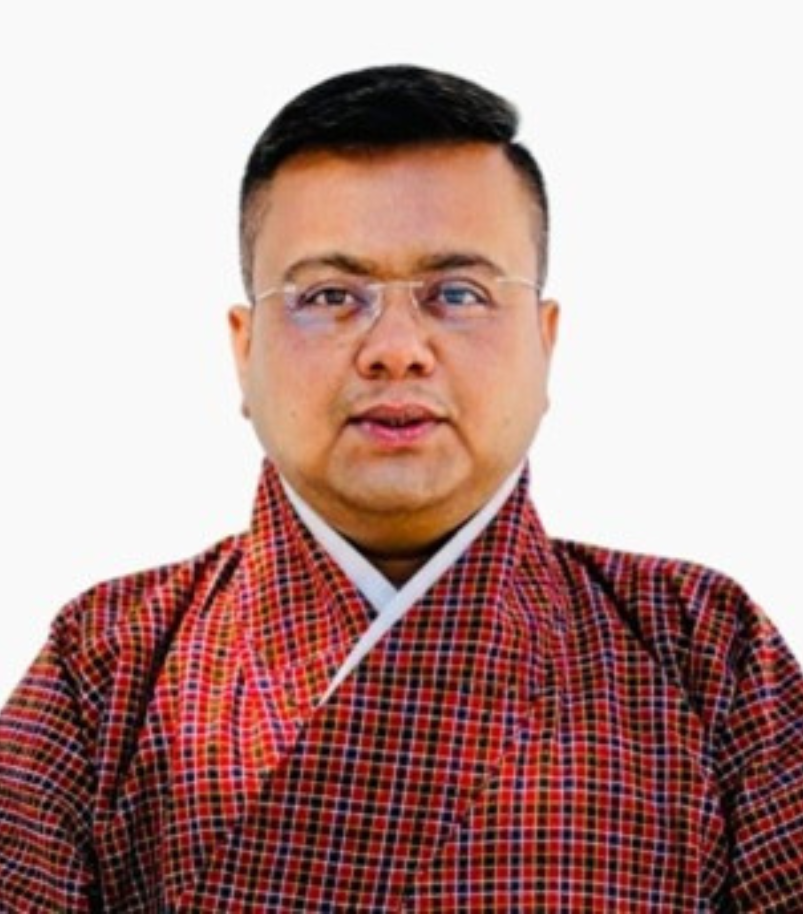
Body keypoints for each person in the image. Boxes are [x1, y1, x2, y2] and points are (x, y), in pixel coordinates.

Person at [1, 64, 802, 913]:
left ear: (544, 340)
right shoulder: (108, 662)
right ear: (244, 349)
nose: (395, 349)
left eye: (456, 294)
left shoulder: (703, 650)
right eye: (328, 295)